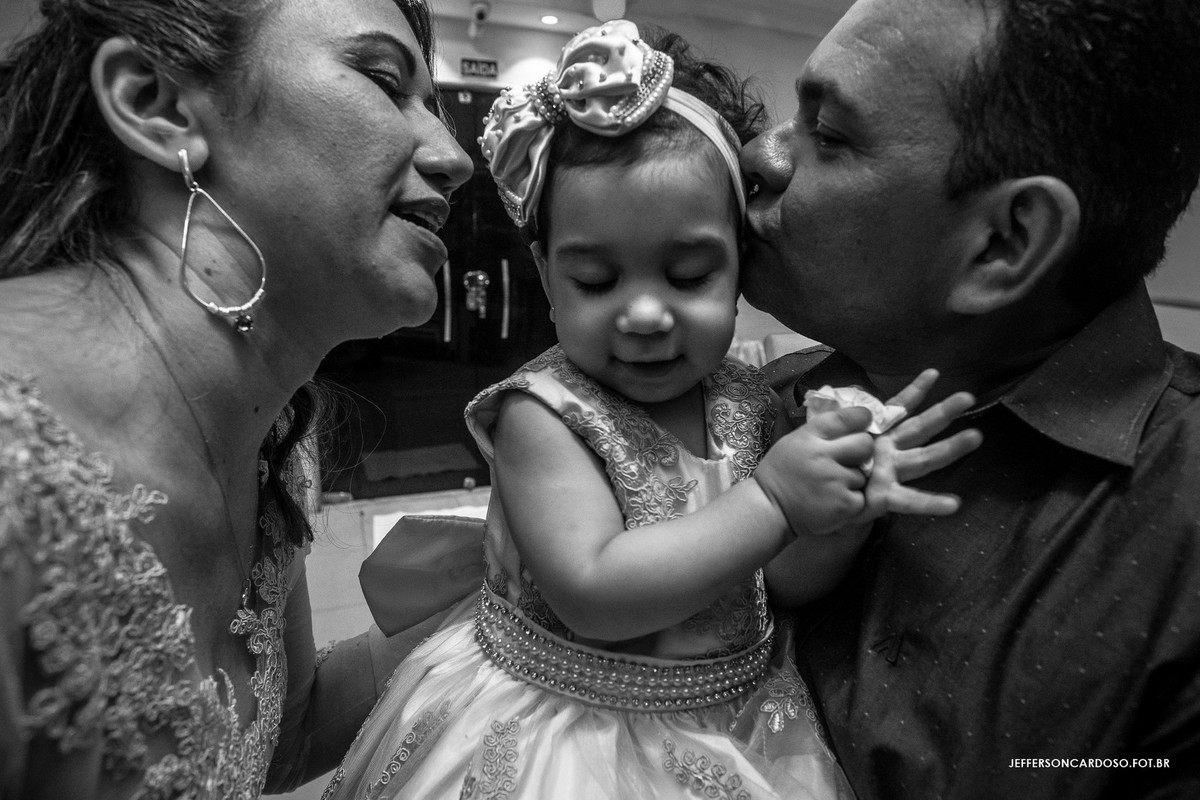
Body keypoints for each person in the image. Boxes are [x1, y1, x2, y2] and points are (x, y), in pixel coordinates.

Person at [323, 21, 981, 800]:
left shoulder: (749, 398)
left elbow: (778, 581)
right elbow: (593, 592)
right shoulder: (543, 413)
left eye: (689, 275)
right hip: (566, 732)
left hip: (739, 725)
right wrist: (774, 500)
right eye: (597, 281)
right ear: (545, 273)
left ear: (738, 266)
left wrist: (836, 514)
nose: (643, 314)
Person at [0, 0, 472, 795]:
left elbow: (279, 738)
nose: (454, 157)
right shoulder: (17, 460)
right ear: (157, 106)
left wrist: (517, 591)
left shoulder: (275, 446)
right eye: (384, 81)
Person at [739, 0, 1200, 798]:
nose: (759, 154)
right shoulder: (740, 407)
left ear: (1004, 242)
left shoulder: (1180, 539)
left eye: (831, 135)